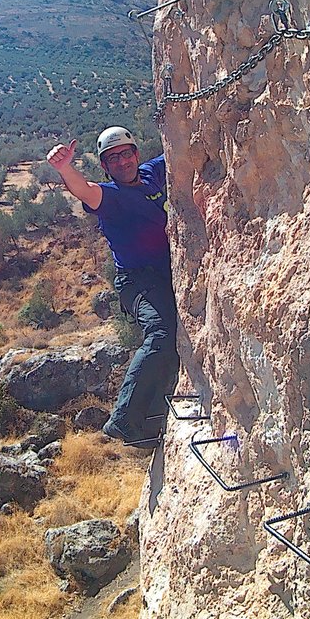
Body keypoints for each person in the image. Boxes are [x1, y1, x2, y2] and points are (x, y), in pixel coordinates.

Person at [45, 127, 178, 446]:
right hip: (137, 281)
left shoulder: (151, 173)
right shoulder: (111, 197)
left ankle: (151, 422)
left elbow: (179, 148)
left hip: (166, 275)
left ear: (136, 154)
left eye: (126, 153)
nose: (121, 162)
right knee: (160, 334)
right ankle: (122, 419)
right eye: (112, 158)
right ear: (105, 167)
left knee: (173, 346)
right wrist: (65, 169)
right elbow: (85, 190)